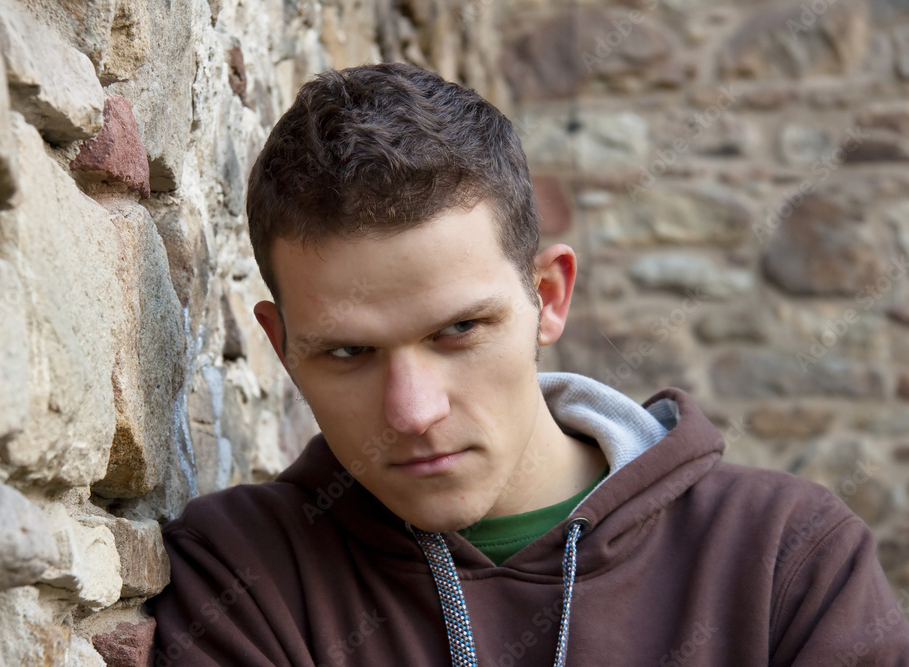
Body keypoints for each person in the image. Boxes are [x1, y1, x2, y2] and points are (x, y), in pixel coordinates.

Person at [149, 63, 909, 666]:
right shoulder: (245, 574)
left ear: (548, 296)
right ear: (282, 347)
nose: (412, 412)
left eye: (459, 330)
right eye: (348, 352)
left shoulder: (785, 558)